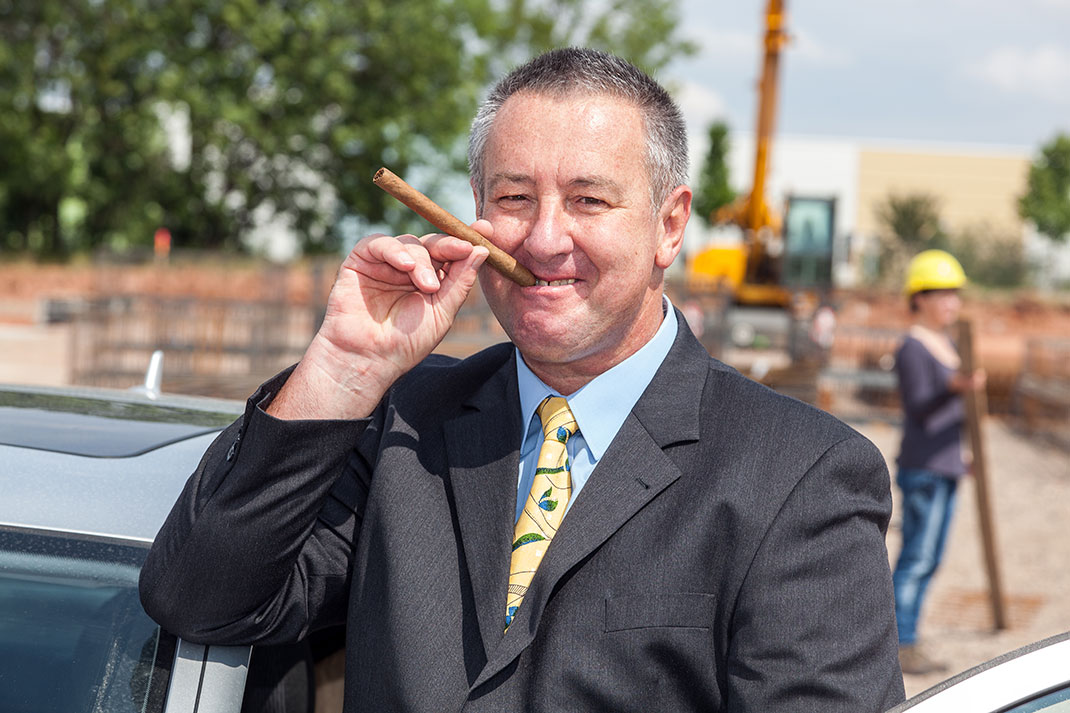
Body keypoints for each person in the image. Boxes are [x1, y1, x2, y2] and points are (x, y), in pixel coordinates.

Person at [140, 48, 904, 711]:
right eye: (512, 198)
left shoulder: (799, 475)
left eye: (588, 200)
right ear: (474, 213)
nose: (543, 238)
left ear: (670, 224)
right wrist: (344, 368)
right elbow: (199, 597)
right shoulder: (400, 424)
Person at [892, 249, 985, 675]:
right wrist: (957, 386)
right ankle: (900, 642)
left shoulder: (947, 345)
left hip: (945, 465)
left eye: (954, 293)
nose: (951, 301)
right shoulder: (912, 346)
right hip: (923, 467)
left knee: (931, 558)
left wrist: (963, 455)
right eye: (942, 293)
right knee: (917, 556)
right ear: (920, 298)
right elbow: (921, 407)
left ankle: (909, 636)